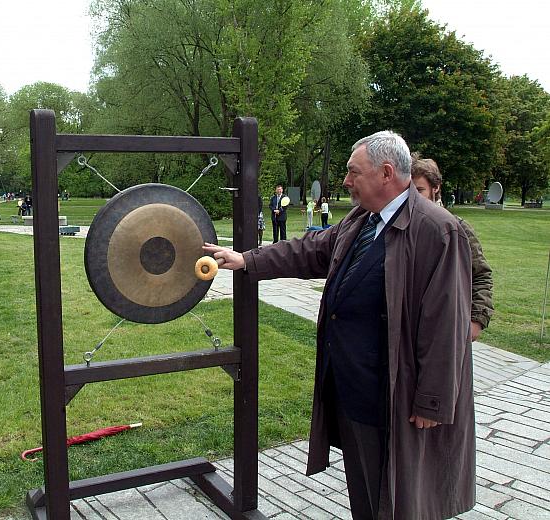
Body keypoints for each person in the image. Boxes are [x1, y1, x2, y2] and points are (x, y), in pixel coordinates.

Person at [204, 130, 474, 519]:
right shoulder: (362, 219)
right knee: (365, 490)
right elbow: (310, 250)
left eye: (353, 172)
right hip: (352, 388)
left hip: (395, 394)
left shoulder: (437, 231)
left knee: (399, 498)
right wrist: (247, 259)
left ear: (385, 173)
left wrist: (432, 401)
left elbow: (446, 325)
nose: (346, 181)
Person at [411, 155, 493, 341]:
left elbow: (481, 274)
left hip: (446, 330)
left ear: (436, 188)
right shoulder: (403, 227)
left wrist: (476, 321)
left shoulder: (457, 228)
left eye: (419, 191)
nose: (413, 198)